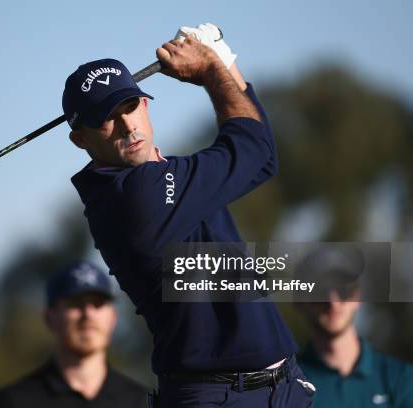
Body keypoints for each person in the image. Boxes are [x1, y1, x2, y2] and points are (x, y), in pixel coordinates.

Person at [64, 23, 314, 407]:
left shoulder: (173, 180)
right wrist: (214, 68)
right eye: (106, 119)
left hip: (284, 385)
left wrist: (226, 65)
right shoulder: (133, 198)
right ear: (80, 139)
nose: (128, 125)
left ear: (145, 105)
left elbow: (261, 160)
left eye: (130, 106)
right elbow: (253, 148)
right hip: (213, 396)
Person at [0, 261, 148, 408]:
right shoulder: (13, 402)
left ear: (113, 318)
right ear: (50, 318)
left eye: (98, 304)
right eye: (76, 304)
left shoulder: (141, 401)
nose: (88, 314)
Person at [296, 247, 413, 407]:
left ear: (357, 296)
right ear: (300, 301)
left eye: (342, 289)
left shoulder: (401, 379)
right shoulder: (287, 386)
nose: (333, 302)